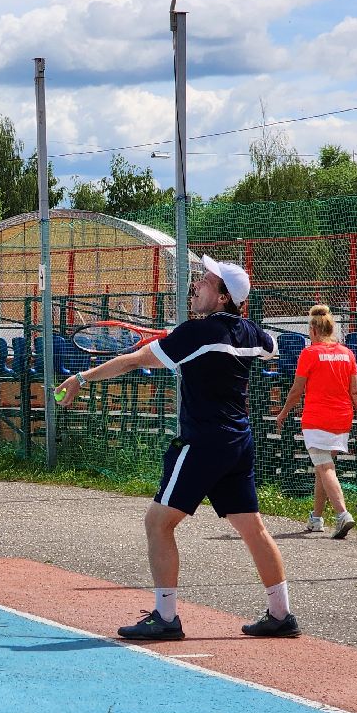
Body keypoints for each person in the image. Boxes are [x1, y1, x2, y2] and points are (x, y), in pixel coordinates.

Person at [54, 255, 298, 640]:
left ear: (222, 298)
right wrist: (183, 339)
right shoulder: (251, 334)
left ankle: (166, 617)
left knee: (157, 522)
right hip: (238, 442)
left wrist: (82, 378)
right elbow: (270, 346)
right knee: (252, 527)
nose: (197, 284)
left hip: (203, 442)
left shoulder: (196, 333)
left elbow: (134, 361)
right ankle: (281, 614)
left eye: (205, 281)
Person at [273, 305, 357, 539]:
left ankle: (343, 515)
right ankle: (316, 518)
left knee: (325, 468)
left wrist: (283, 412)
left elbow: (296, 390)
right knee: (322, 468)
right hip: (341, 418)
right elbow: (356, 393)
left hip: (316, 418)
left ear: (314, 330)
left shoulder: (309, 354)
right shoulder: (347, 354)